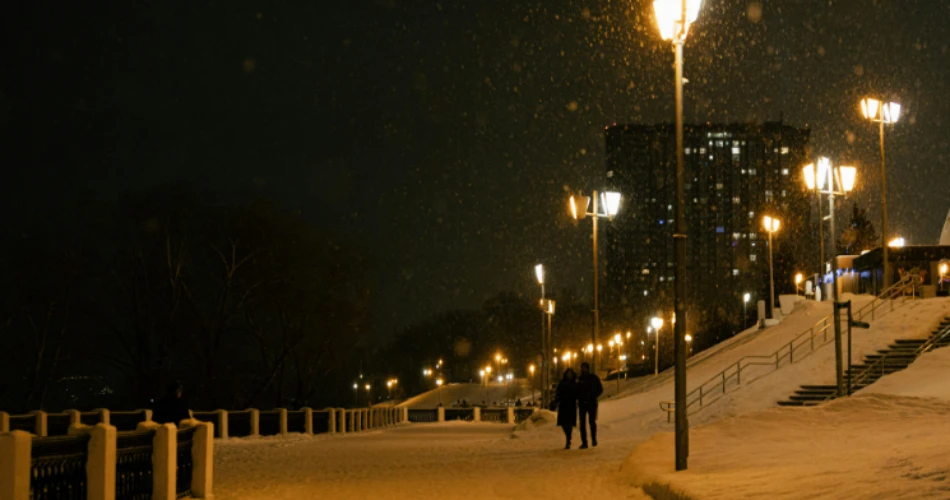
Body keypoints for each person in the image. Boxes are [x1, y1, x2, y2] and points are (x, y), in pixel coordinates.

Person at [576, 362, 603, 449]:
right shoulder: (579, 379)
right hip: (582, 404)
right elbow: (576, 391)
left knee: (592, 422)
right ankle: (584, 442)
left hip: (591, 403)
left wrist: (593, 396)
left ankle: (594, 439)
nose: (583, 369)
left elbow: (600, 389)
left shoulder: (593, 378)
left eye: (585, 368)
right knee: (582, 424)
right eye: (582, 368)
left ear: (588, 368)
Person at [554, 368, 578, 449]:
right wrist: (557, 400)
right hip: (563, 404)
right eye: (568, 373)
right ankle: (568, 435)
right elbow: (558, 392)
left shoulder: (574, 383)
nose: (569, 375)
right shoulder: (562, 382)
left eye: (570, 373)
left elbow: (577, 392)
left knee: (569, 423)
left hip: (571, 405)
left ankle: (568, 440)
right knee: (563, 423)